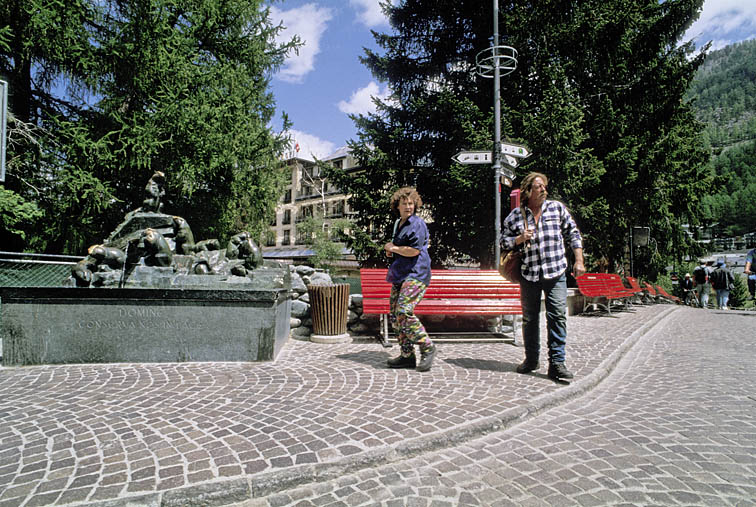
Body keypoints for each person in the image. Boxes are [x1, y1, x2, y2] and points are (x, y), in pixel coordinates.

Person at [501, 172, 585, 381]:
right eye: (540, 187)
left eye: (545, 187)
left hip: (556, 271)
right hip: (529, 274)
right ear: (529, 191)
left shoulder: (556, 208)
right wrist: (519, 238)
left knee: (556, 316)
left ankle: (557, 363)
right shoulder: (515, 216)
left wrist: (579, 260)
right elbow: (503, 242)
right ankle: (531, 359)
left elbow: (573, 233)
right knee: (530, 319)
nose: (544, 190)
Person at [384, 187, 436, 372]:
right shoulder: (399, 223)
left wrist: (394, 248)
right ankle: (407, 355)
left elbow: (414, 250)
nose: (408, 206)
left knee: (404, 311)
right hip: (400, 274)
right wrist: (393, 250)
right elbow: (399, 249)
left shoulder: (417, 224)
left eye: (411, 203)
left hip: (416, 274)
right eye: (404, 203)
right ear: (397, 206)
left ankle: (427, 347)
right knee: (394, 315)